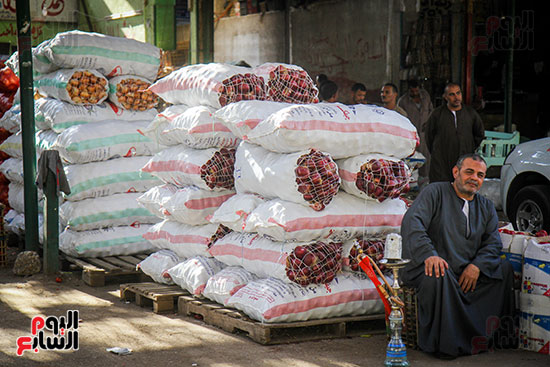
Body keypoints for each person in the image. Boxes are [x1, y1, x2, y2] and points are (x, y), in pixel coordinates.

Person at [400, 153, 516, 359]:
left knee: (504, 269)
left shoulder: (487, 207)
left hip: (466, 272)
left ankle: (487, 338)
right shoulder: (434, 192)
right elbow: (413, 223)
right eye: (469, 172)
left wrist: (477, 266)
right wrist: (429, 255)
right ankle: (448, 344)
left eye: (480, 175)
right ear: (456, 172)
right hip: (433, 268)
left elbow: (493, 243)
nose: (474, 178)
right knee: (439, 272)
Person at [425, 83, 485, 183]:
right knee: (441, 190)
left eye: (458, 93)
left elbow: (479, 133)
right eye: (452, 94)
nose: (456, 97)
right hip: (442, 161)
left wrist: (468, 146)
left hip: (464, 159)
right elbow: (429, 136)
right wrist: (437, 151)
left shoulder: (470, 113)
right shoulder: (437, 114)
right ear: (445, 97)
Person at [397, 80, 434, 188]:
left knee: (426, 158)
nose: (415, 92)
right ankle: (411, 184)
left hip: (424, 133)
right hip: (411, 135)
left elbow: (431, 111)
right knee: (412, 160)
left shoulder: (425, 97)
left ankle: (425, 182)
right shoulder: (403, 101)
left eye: (416, 90)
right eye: (412, 91)